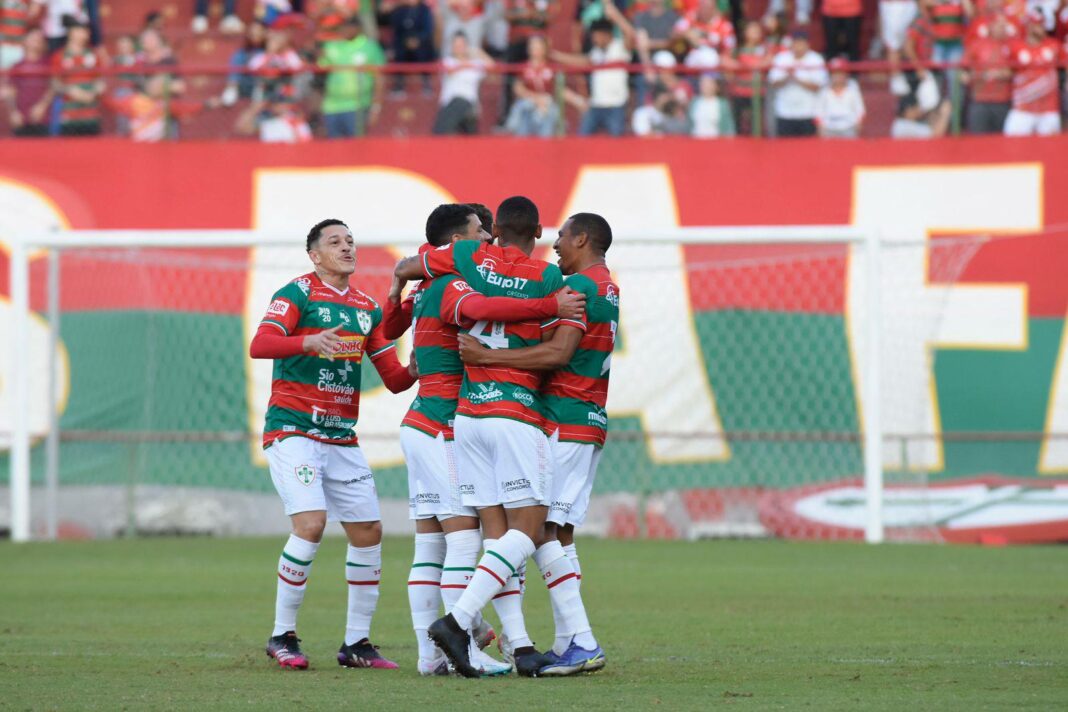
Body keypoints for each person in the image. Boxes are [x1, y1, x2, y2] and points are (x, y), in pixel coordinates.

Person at [383, 203, 585, 676]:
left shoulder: (441, 280)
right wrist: (548, 305)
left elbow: (390, 319)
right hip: (447, 423)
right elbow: (478, 308)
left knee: (435, 545)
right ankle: (461, 643)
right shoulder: (456, 283)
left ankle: (446, 654)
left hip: (437, 421)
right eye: (479, 233)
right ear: (459, 243)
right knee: (473, 542)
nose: (488, 241)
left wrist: (396, 288)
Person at [249, 218, 417, 671]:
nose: (346, 248)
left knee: (369, 532)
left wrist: (422, 364)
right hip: (294, 430)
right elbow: (260, 344)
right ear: (315, 255)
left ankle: (356, 644)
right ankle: (282, 635)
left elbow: (395, 379)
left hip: (341, 437)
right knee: (311, 524)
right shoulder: (297, 293)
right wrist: (307, 342)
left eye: (350, 241)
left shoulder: (366, 307)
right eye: (334, 242)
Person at [455, 212, 617, 676]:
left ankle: (578, 641)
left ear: (582, 238)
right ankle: (569, 642)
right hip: (585, 418)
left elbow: (557, 353)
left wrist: (488, 355)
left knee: (536, 529)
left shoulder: (581, 289)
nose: (557, 245)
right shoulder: (606, 285)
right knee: (558, 534)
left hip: (565, 417)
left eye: (565, 237)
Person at [551, 5, 633, 137]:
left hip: (616, 105)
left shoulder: (620, 48)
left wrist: (615, 16)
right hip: (596, 105)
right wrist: (555, 55)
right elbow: (581, 61)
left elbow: (630, 34)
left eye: (596, 36)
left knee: (617, 144)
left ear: (606, 35)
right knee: (582, 140)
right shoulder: (597, 53)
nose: (594, 40)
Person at [318, 18, 384, 138]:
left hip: (357, 106)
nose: (344, 30)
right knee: (333, 149)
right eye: (343, 27)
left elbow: (379, 79)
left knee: (356, 149)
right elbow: (320, 70)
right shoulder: (332, 46)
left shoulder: (369, 47)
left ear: (357, 29)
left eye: (348, 27)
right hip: (331, 106)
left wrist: (376, 107)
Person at [1003, 11, 1061, 136]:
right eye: (1037, 25)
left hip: (1048, 109)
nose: (1041, 28)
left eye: (1042, 24)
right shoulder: (1016, 47)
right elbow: (1006, 71)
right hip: (1023, 106)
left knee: (1051, 149)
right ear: (1029, 26)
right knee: (1012, 145)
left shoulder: (1053, 46)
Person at [768, 29, 827, 137]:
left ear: (808, 44)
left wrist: (796, 78)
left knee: (807, 149)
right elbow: (773, 82)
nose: (798, 46)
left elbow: (817, 86)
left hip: (808, 112)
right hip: (784, 112)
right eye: (796, 42)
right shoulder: (781, 58)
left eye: (801, 43)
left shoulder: (816, 59)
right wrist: (787, 77)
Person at [432, 32, 493, 135]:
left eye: (461, 45)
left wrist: (477, 52)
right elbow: (450, 70)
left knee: (463, 105)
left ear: (466, 46)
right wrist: (468, 65)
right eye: (455, 45)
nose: (458, 48)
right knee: (457, 103)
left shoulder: (476, 63)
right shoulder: (448, 61)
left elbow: (492, 67)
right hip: (450, 104)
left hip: (469, 103)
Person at [961, 11, 1012, 133]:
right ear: (991, 26)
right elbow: (963, 72)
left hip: (1002, 100)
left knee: (1000, 142)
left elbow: (1015, 71)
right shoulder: (977, 45)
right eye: (1000, 24)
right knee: (978, 141)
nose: (1003, 28)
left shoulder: (1011, 45)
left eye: (1004, 25)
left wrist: (999, 74)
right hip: (980, 100)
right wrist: (976, 76)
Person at [50, 18, 103, 136]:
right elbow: (55, 83)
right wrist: (71, 91)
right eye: (81, 30)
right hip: (69, 115)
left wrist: (94, 92)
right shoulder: (59, 56)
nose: (85, 34)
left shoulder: (93, 55)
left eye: (86, 31)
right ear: (71, 32)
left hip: (91, 114)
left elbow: (101, 80)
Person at [504, 34, 559, 137]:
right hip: (529, 104)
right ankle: (515, 134)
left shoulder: (551, 67)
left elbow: (559, 89)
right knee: (523, 107)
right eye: (532, 46)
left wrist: (577, 100)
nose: (535, 49)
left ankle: (544, 146)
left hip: (546, 105)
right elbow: (518, 89)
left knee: (551, 111)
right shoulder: (523, 67)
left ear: (544, 49)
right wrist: (536, 99)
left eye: (538, 46)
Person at [4, 27, 52, 135]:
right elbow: (10, 91)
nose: (36, 41)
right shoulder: (16, 67)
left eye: (39, 39)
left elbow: (53, 87)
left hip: (42, 119)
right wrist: (13, 112)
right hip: (21, 119)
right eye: (33, 38)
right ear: (25, 41)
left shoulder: (48, 65)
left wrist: (42, 106)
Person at [389, 0, 435, 96]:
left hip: (421, 43)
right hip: (403, 43)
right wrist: (406, 41)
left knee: (425, 52)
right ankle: (399, 85)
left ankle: (426, 83)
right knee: (398, 52)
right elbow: (397, 32)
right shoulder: (400, 10)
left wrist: (418, 40)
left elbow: (428, 30)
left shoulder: (425, 10)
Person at [221, 20, 267, 106]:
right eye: (252, 32)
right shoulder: (242, 53)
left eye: (258, 31)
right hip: (245, 81)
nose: (255, 34)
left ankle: (260, 90)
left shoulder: (268, 50)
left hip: (263, 83)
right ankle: (232, 88)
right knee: (238, 56)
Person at [815, 57, 865, 137]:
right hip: (829, 128)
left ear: (846, 74)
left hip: (848, 127)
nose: (838, 76)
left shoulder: (853, 89)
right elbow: (818, 110)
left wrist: (858, 124)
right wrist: (820, 126)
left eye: (841, 73)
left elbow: (860, 109)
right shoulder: (824, 90)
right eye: (835, 73)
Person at [1, 0, 44, 70]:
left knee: (18, 74)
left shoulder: (27, 2)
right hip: (4, 45)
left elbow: (34, 14)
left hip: (20, 46)